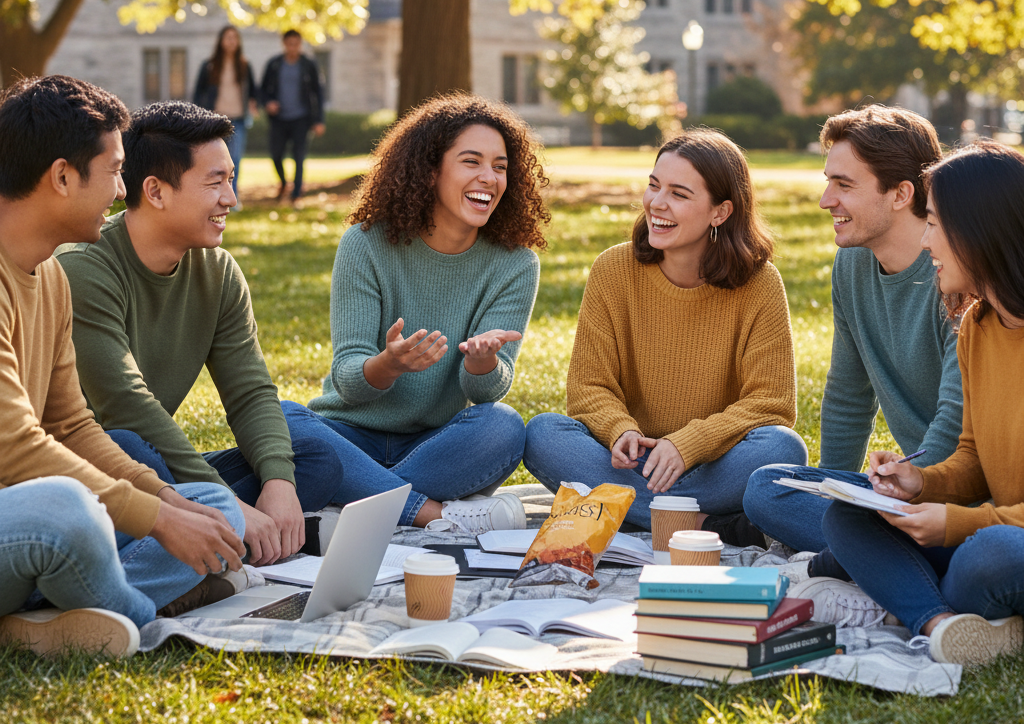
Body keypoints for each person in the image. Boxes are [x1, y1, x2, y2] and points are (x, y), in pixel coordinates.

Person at [0, 76, 245, 657]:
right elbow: (15, 446)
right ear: (62, 177)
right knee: (66, 508)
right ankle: (145, 621)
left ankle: (51, 615)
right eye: (114, 171)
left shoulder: (52, 277)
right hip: (32, 515)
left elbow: (73, 426)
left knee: (214, 507)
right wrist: (156, 520)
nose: (121, 191)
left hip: (30, 518)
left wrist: (166, 500)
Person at [56, 101, 344, 568]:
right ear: (155, 190)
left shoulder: (218, 272)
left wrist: (278, 486)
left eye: (231, 179)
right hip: (98, 471)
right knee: (127, 443)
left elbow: (249, 391)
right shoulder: (86, 270)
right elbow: (124, 403)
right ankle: (227, 540)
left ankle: (231, 539)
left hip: (162, 468)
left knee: (312, 459)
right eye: (216, 182)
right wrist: (224, 500)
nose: (231, 198)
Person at [522, 130, 806, 543]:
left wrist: (690, 443)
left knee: (783, 449)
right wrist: (620, 431)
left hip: (715, 463)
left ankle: (634, 513)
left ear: (720, 212)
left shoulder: (760, 284)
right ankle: (698, 523)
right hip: (631, 463)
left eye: (679, 193)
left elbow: (772, 403)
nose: (657, 203)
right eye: (654, 186)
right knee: (544, 434)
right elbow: (587, 387)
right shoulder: (613, 270)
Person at [283, 93, 548, 533]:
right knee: (282, 419)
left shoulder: (515, 263)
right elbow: (348, 380)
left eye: (500, 167)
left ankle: (353, 501)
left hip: (436, 445)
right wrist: (389, 365)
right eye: (471, 162)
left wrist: (481, 363)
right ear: (430, 169)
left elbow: (486, 395)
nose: (489, 178)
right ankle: (432, 516)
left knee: (502, 426)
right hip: (350, 435)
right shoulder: (366, 243)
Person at [743, 107, 962, 604]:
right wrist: (832, 491)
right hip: (900, 497)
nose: (826, 201)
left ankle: (866, 556)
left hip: (960, 491)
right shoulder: (852, 265)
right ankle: (870, 550)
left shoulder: (957, 276)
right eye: (828, 182)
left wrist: (900, 487)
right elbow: (847, 397)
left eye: (843, 185)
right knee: (767, 488)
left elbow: (955, 430)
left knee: (974, 548)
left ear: (902, 193)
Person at [822, 140, 1024, 667]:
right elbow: (973, 457)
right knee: (849, 515)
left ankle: (906, 594)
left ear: (978, 232)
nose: (926, 241)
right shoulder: (977, 328)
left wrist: (954, 524)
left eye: (934, 225)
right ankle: (941, 623)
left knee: (989, 558)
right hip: (992, 528)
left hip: (1004, 543)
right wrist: (919, 483)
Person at [193, 25, 259, 201]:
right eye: (228, 38)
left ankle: (232, 196)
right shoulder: (209, 66)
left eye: (234, 38)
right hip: (214, 121)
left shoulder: (245, 66)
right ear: (221, 41)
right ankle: (212, 195)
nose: (231, 41)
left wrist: (253, 105)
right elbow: (198, 93)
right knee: (212, 161)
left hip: (238, 119)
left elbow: (253, 91)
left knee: (235, 160)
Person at [259, 29, 325, 203]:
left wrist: (319, 120)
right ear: (284, 44)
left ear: (300, 44)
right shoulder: (274, 64)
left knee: (299, 155)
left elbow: (318, 93)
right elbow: (262, 90)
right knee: (276, 154)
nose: (293, 47)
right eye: (289, 43)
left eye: (296, 44)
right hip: (279, 118)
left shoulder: (308, 65)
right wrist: (268, 103)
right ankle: (283, 183)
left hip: (301, 118)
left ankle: (296, 193)